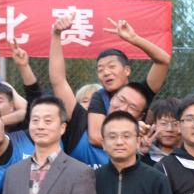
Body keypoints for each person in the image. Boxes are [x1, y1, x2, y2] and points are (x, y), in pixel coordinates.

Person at [49, 13, 151, 169]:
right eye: (120, 100)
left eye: (132, 106)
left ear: (140, 116)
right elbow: (58, 80)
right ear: (110, 100)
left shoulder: (139, 141)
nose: (123, 107)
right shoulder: (80, 123)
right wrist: (56, 35)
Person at [85, 17, 172, 147]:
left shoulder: (142, 93)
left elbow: (163, 61)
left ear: (127, 70)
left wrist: (134, 39)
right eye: (100, 70)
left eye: (111, 66)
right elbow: (95, 137)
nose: (106, 72)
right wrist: (131, 132)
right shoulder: (99, 96)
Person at [146, 97, 182, 163]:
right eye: (163, 123)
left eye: (175, 124)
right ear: (154, 125)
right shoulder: (142, 155)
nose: (169, 129)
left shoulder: (193, 158)